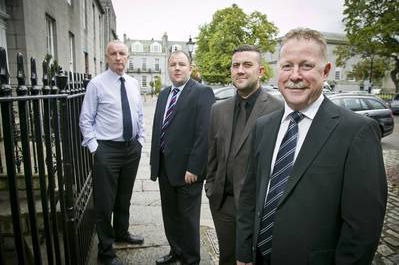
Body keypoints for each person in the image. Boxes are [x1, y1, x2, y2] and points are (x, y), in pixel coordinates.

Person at [236, 28, 387, 265]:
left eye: (306, 66)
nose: (295, 75)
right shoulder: (263, 126)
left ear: (326, 71)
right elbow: (249, 196)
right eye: (287, 66)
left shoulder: (357, 132)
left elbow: (363, 226)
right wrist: (244, 252)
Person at [205, 45, 283, 265]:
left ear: (260, 71)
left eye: (247, 65)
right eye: (235, 65)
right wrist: (211, 188)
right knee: (227, 258)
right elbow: (212, 155)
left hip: (258, 208)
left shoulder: (278, 109)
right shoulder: (218, 110)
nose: (240, 70)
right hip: (222, 204)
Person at [79, 40, 144, 265]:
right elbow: (85, 119)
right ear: (107, 57)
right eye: (113, 54)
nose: (118, 57)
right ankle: (105, 251)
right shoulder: (97, 84)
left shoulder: (134, 83)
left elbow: (139, 114)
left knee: (124, 196)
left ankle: (121, 233)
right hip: (107, 149)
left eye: (122, 54)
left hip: (131, 149)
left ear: (128, 57)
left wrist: (141, 141)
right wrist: (96, 148)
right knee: (105, 202)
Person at [150, 50, 215, 265]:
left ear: (190, 67)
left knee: (188, 220)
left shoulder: (202, 92)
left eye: (181, 64)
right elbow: (158, 129)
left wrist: (195, 168)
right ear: (167, 68)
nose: (177, 68)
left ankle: (190, 259)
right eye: (173, 64)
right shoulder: (163, 94)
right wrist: (154, 164)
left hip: (188, 172)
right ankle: (176, 252)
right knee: (170, 216)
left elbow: (204, 133)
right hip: (164, 169)